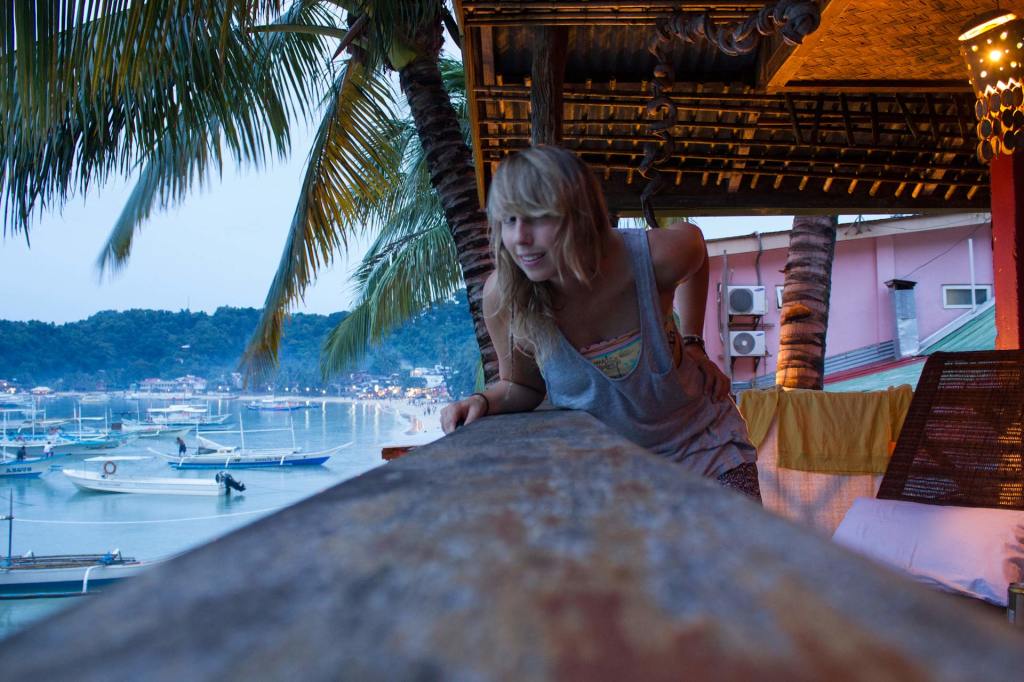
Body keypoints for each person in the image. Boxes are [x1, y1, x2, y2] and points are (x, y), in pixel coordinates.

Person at [440, 145, 759, 500]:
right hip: (612, 477)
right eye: (509, 220)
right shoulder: (506, 297)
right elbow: (522, 386)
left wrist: (692, 341)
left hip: (707, 452)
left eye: (538, 216)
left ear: (580, 212)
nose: (519, 238)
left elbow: (696, 248)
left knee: (739, 554)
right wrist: (481, 401)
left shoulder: (654, 258)